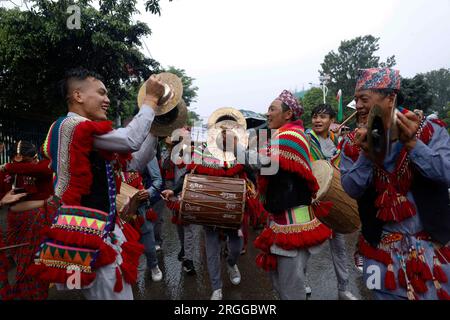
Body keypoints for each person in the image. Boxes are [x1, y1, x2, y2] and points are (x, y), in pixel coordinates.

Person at [28, 68, 166, 300]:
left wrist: (155, 125)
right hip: (91, 235)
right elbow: (131, 140)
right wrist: (150, 100)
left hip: (97, 229)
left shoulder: (79, 131)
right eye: (101, 93)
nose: (107, 100)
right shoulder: (75, 127)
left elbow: (134, 161)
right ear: (78, 96)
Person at [340, 68, 450, 300]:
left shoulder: (430, 130)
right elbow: (350, 188)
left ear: (390, 98)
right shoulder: (352, 142)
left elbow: (446, 174)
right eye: (356, 98)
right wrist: (366, 157)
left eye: (364, 98)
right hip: (377, 254)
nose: (357, 105)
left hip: (433, 252)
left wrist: (412, 145)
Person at [253, 90, 332, 300]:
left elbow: (265, 164)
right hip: (282, 220)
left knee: (291, 289)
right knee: (280, 283)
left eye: (272, 109)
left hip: (293, 223)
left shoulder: (292, 136)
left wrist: (236, 148)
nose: (267, 113)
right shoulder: (280, 135)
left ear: (288, 115)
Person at [304, 104, 358, 300]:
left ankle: (343, 288)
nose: (318, 120)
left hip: (334, 198)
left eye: (323, 117)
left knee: (339, 247)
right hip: (311, 199)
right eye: (315, 116)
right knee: (307, 245)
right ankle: (304, 281)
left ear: (332, 121)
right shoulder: (306, 139)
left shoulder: (338, 140)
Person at [0, 140, 54, 300]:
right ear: (18, 157)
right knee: (21, 268)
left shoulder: (41, 169)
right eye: (33, 159)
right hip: (16, 228)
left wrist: (6, 166)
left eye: (37, 157)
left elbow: (42, 168)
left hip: (38, 226)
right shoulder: (5, 176)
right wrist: (3, 200)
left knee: (38, 268)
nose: (36, 161)